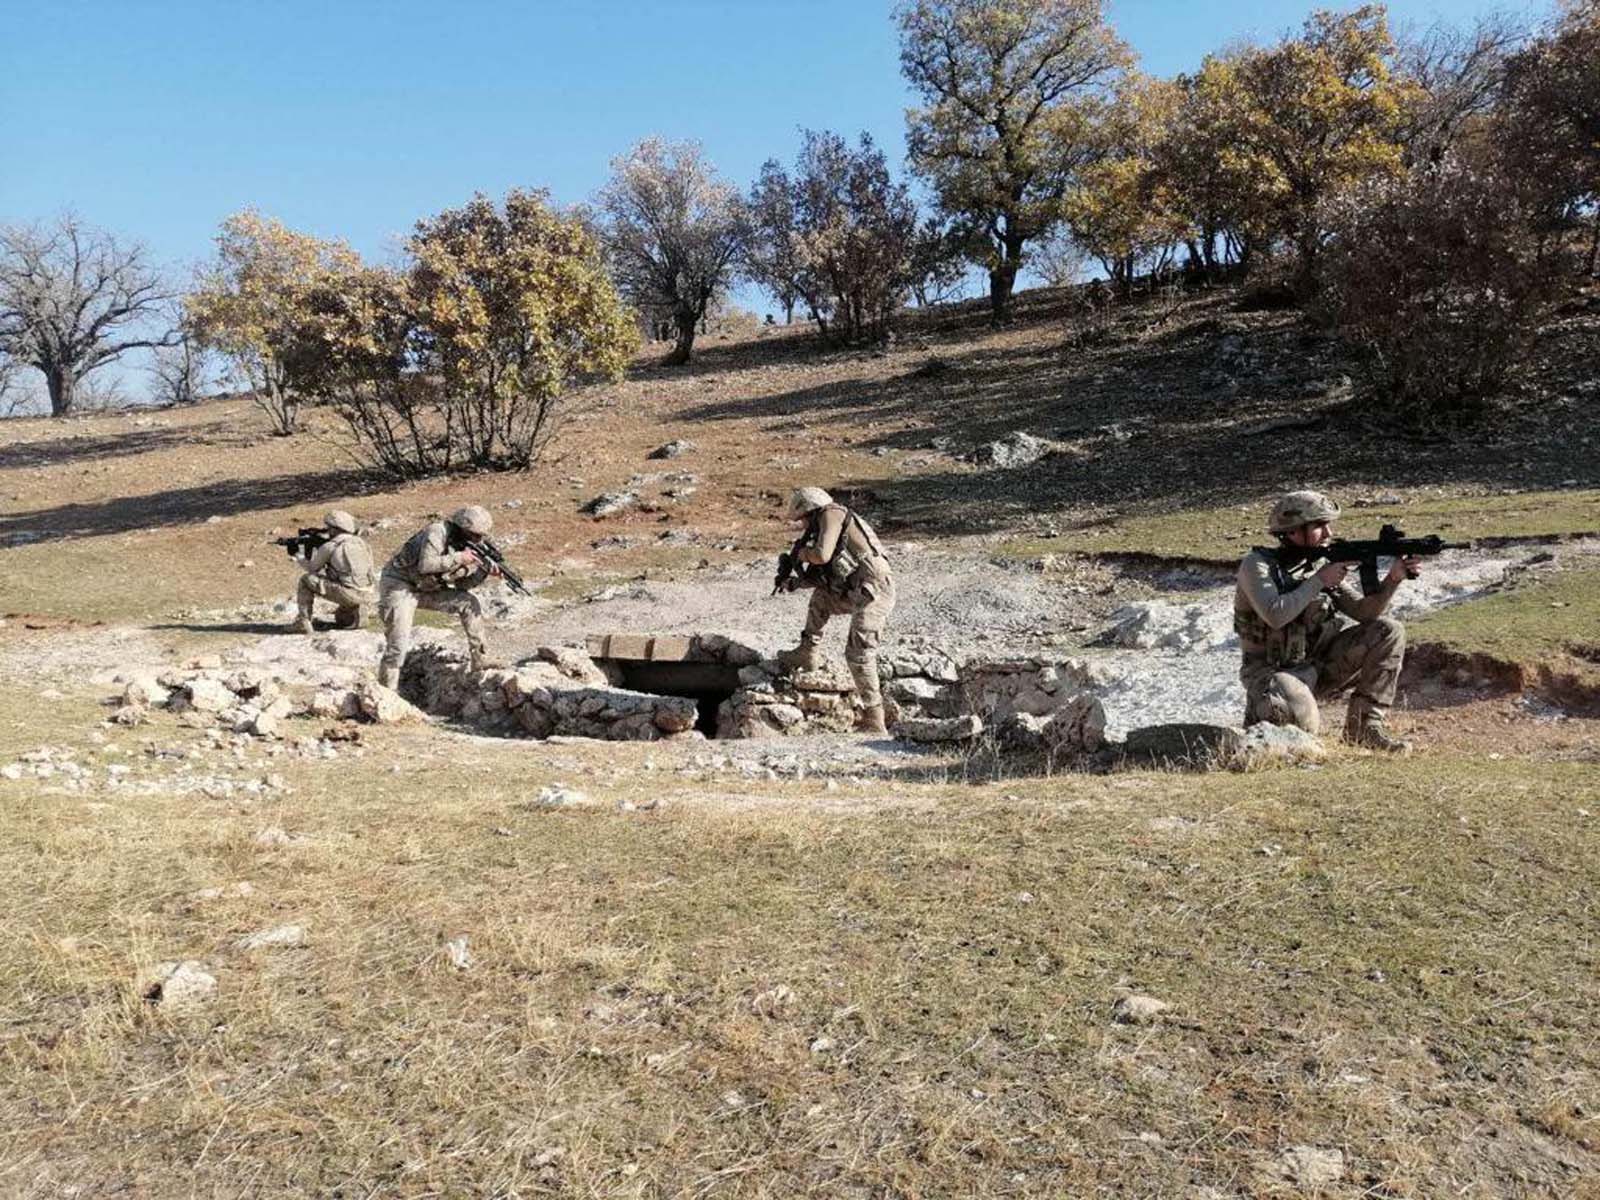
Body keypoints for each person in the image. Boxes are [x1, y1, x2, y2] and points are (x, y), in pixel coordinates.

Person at [1234, 490, 1420, 752]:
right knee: (1301, 727)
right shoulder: (1257, 566)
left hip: (1319, 665)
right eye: (1320, 526)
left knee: (1388, 631)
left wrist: (1393, 580)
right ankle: (1261, 718)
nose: (1329, 533)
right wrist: (1320, 580)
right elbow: (1275, 615)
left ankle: (1364, 729)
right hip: (1272, 674)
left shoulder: (1319, 564)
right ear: (1293, 531)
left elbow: (1365, 613)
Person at [775, 487, 896, 735]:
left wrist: (800, 552)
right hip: (856, 590)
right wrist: (794, 582)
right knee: (821, 600)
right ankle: (807, 651)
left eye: (803, 519)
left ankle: (874, 718)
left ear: (811, 509)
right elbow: (824, 577)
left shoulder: (831, 513)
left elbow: (821, 555)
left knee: (858, 653)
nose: (803, 525)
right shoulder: (827, 526)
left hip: (874, 590)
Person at [377, 505, 503, 688]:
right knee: (398, 642)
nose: (479, 539)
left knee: (469, 602)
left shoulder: (463, 544)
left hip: (426, 588)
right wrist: (460, 558)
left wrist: (483, 572)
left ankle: (480, 658)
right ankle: (386, 692)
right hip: (400, 585)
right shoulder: (437, 531)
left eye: (481, 535)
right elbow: (426, 565)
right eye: (475, 535)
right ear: (462, 528)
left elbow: (462, 586)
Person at [289, 510, 376, 634]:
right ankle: (355, 609)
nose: (327, 531)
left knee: (306, 580)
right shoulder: (361, 543)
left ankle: (303, 622)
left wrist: (298, 555)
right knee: (340, 618)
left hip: (348, 593)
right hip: (369, 593)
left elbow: (312, 568)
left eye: (328, 528)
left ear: (335, 529)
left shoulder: (331, 546)